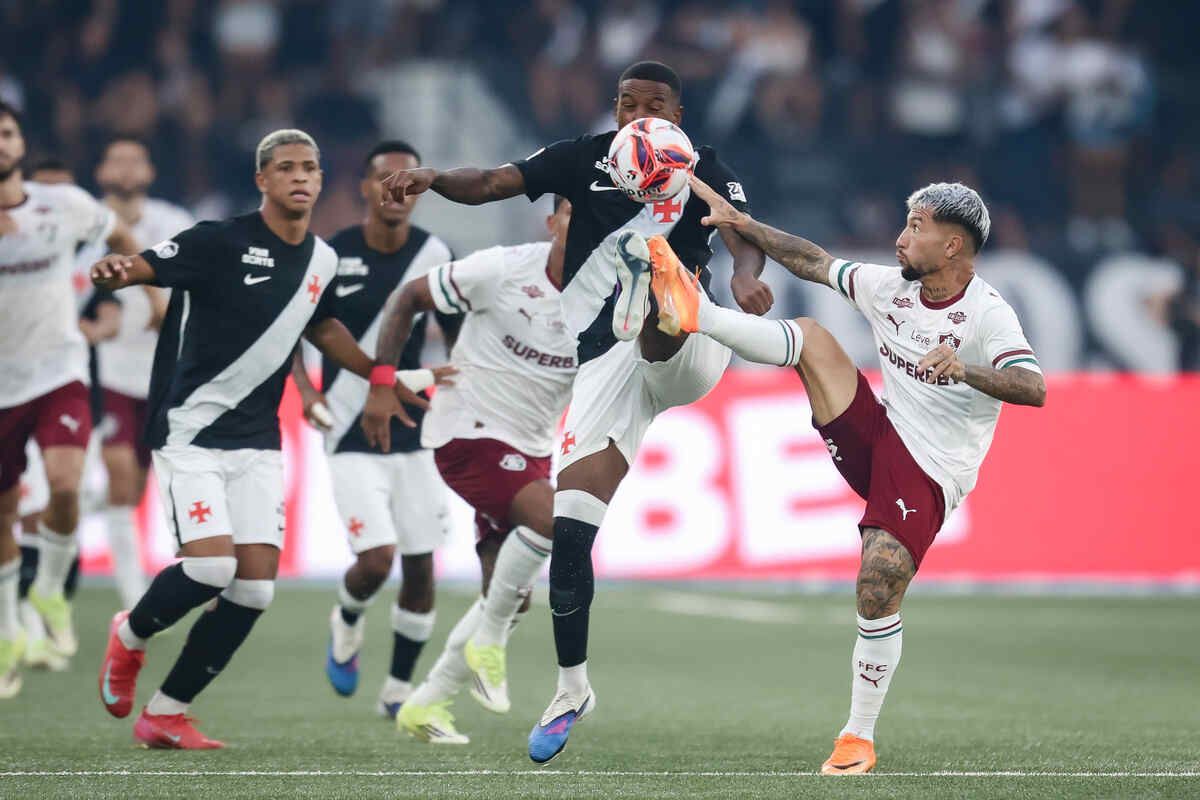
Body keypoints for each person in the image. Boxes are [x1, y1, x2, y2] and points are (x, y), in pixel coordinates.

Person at [377, 60, 769, 763]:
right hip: (604, 369)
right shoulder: (580, 159)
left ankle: (661, 291)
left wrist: (743, 275)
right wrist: (433, 178)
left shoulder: (703, 166)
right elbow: (492, 182)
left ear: (677, 117)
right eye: (627, 103)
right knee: (570, 530)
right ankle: (570, 689)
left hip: (688, 344)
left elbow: (741, 234)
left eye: (654, 105)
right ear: (614, 109)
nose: (638, 114)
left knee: (659, 298)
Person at [679, 175, 1046, 775]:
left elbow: (1033, 387)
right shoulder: (889, 287)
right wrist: (743, 225)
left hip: (930, 470)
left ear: (953, 245)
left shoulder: (988, 314)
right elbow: (813, 261)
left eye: (916, 227)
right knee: (812, 338)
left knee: (878, 585)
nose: (901, 238)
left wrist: (966, 369)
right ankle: (698, 315)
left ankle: (857, 738)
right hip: (877, 434)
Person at [90, 129, 435, 748]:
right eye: (286, 168)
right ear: (262, 180)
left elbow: (322, 327)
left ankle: (166, 712)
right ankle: (130, 634)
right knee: (211, 566)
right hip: (191, 428)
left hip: (257, 440)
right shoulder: (217, 240)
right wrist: (120, 271)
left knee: (252, 588)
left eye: (310, 168)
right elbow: (144, 265)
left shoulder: (322, 259)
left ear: (321, 180)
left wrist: (379, 375)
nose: (300, 177)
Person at [363, 195, 577, 744]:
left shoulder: (606, 296)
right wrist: (384, 380)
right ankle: (490, 642)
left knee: (510, 594)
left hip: (532, 447)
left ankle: (427, 702)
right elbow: (409, 297)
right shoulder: (502, 268)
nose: (584, 225)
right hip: (467, 432)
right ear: (551, 221)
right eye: (572, 212)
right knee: (553, 520)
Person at [290, 140, 458, 716]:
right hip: (346, 424)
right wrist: (307, 392)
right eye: (384, 178)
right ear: (364, 188)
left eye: (408, 178)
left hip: (414, 423)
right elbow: (292, 328)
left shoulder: (436, 253)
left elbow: (458, 335)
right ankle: (348, 614)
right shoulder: (331, 254)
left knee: (421, 565)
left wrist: (462, 394)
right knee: (377, 559)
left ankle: (398, 691)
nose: (397, 188)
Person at [0, 102, 138, 696]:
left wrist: (137, 279)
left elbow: (118, 233)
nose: (0, 143)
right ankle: (8, 631)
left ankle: (51, 590)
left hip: (59, 372)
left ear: (20, 143)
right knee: (5, 514)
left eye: (6, 132)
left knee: (64, 487)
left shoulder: (62, 204)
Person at [92, 136, 194, 611]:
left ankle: (63, 511)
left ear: (150, 172)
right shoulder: (84, 222)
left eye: (136, 159)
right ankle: (134, 599)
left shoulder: (175, 224)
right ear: (101, 171)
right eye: (117, 159)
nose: (127, 168)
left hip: (164, 374)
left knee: (137, 489)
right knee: (119, 478)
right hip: (106, 371)